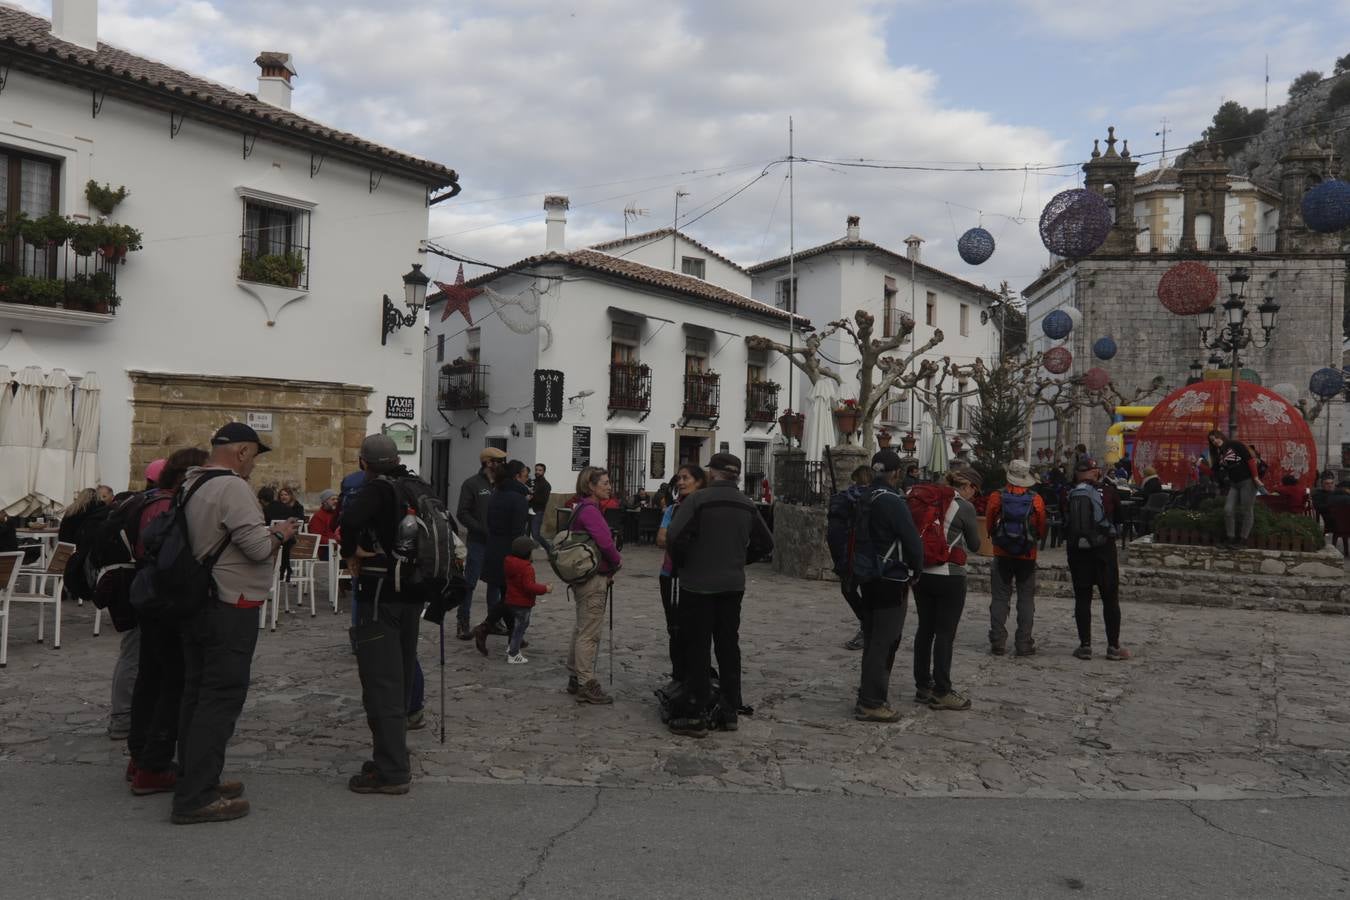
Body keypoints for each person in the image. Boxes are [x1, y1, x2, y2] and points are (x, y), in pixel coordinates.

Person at [174, 422, 297, 824]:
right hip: (230, 603)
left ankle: (196, 777)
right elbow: (258, 549)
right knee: (220, 698)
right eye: (254, 457)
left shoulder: (191, 482)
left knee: (196, 693)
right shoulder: (232, 487)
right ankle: (196, 797)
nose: (254, 467)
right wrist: (280, 534)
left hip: (197, 601)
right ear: (242, 452)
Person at [339, 434, 431, 795]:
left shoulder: (375, 490)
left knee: (382, 684)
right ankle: (392, 755)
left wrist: (352, 552)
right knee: (402, 676)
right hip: (413, 595)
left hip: (380, 595)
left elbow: (349, 521)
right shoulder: (417, 485)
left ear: (364, 463)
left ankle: (392, 770)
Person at [666, 453, 773, 737]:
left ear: (712, 473)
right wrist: (740, 560)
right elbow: (766, 543)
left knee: (697, 647)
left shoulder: (697, 501)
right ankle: (729, 709)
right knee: (728, 646)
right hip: (732, 585)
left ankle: (697, 712)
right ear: (736, 475)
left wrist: (685, 563)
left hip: (697, 585)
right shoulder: (747, 504)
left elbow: (674, 538)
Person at [125, 447, 207, 795]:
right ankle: (154, 765)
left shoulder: (142, 502)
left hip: (147, 597)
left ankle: (140, 755)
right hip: (166, 601)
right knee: (173, 682)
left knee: (150, 678)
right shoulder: (168, 506)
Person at [851, 450, 924, 723]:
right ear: (896, 473)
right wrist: (917, 569)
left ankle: (867, 693)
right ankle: (871, 701)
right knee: (885, 640)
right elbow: (912, 542)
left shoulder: (864, 496)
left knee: (872, 639)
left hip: (867, 574)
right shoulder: (893, 501)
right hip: (890, 577)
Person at [913, 468, 983, 711]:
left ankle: (922, 685)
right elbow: (975, 544)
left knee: (925, 629)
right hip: (949, 576)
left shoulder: (926, 499)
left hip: (923, 574)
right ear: (970, 487)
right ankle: (942, 690)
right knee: (945, 633)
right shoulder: (964, 507)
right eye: (976, 491)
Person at [565, 467, 623, 705]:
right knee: (589, 633)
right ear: (591, 485)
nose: (609, 486)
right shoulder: (591, 511)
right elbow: (605, 543)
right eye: (605, 483)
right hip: (593, 579)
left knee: (581, 628)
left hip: (583, 578)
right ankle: (586, 682)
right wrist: (617, 562)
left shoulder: (582, 508)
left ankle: (574, 675)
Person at [1064, 457, 1130, 662]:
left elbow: (1065, 520)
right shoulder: (1108, 491)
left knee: (1082, 598)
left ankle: (1085, 646)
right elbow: (1120, 518)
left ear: (1076, 473)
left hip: (1077, 551)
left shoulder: (1068, 493)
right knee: (1110, 598)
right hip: (1104, 550)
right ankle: (1113, 646)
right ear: (1096, 472)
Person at [986, 459, 1048, 658]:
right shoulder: (1035, 499)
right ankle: (1023, 643)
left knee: (1000, 597)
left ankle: (998, 642)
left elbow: (989, 522)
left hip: (1002, 553)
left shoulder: (997, 496)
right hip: (1027, 555)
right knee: (1026, 598)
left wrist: (996, 538)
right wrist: (1033, 540)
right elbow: (1041, 526)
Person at [473, 460, 532, 656]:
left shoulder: (496, 494)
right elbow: (518, 532)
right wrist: (523, 557)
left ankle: (513, 635)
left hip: (494, 549)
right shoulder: (519, 499)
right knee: (511, 597)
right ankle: (486, 627)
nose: (527, 476)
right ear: (517, 476)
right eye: (524, 473)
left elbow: (489, 521)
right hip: (510, 553)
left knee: (508, 595)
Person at [656, 464, 706, 685]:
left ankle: (693, 675)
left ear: (700, 481)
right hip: (670, 574)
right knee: (673, 627)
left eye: (686, 478)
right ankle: (678, 674)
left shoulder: (705, 509)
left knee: (694, 629)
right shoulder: (673, 510)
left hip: (696, 576)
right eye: (679, 478)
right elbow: (660, 539)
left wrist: (675, 538)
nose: (680, 482)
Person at [456, 447, 506, 641]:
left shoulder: (502, 485)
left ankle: (492, 622)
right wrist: (481, 528)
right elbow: (462, 512)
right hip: (478, 542)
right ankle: (463, 621)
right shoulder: (472, 484)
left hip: (497, 543)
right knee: (470, 583)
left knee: (495, 583)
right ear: (488, 463)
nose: (501, 465)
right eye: (498, 462)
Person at [828, 464, 872, 652]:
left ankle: (867, 625)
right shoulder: (879, 498)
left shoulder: (843, 499)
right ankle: (869, 626)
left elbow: (834, 534)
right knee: (868, 593)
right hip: (869, 555)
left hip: (849, 554)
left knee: (849, 590)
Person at [1208, 429, 1262, 546]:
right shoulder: (1220, 453)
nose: (1215, 441)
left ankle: (1243, 539)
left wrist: (1256, 477)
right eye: (1212, 441)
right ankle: (1231, 538)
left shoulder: (1234, 444)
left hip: (1247, 481)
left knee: (1246, 510)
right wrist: (1198, 465)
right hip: (1234, 484)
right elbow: (1213, 471)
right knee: (1228, 510)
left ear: (1221, 436)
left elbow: (1250, 460)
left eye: (1216, 438)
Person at [503, 536, 550, 663]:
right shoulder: (526, 568)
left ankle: (512, 647)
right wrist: (545, 589)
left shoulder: (509, 563)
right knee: (520, 628)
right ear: (526, 553)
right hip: (522, 603)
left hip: (511, 600)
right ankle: (513, 654)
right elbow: (529, 586)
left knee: (517, 626)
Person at [529, 463, 553, 554]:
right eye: (536, 470)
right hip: (528, 510)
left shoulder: (546, 485)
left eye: (540, 470)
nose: (537, 472)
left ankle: (550, 550)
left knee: (535, 535)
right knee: (526, 535)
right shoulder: (532, 482)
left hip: (538, 512)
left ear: (544, 472)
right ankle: (527, 556)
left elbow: (543, 501)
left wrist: (532, 496)